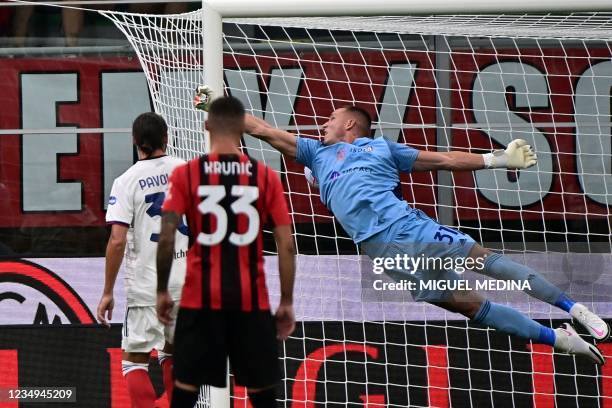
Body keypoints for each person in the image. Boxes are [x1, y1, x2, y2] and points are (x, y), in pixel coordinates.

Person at [244, 105, 608, 365]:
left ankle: (574, 309)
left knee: (490, 265)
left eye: (331, 118)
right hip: (384, 255)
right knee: (468, 306)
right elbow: (260, 129)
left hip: (410, 229)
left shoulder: (382, 148)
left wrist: (495, 160)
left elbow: (443, 161)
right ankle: (559, 341)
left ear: (351, 123)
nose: (324, 123)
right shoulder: (316, 153)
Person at [157, 96, 296, 408]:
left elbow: (167, 237)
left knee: (185, 389)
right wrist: (286, 301)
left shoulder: (186, 174)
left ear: (206, 125)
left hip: (200, 300)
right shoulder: (266, 177)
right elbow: (286, 244)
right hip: (251, 302)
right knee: (262, 394)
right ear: (242, 129)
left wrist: (162, 290)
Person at [97, 112, 188, 407]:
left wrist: (108, 291)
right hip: (186, 283)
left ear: (135, 142)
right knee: (172, 353)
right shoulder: (188, 171)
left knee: (134, 361)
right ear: (166, 138)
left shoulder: (126, 181)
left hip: (147, 286)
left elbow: (118, 239)